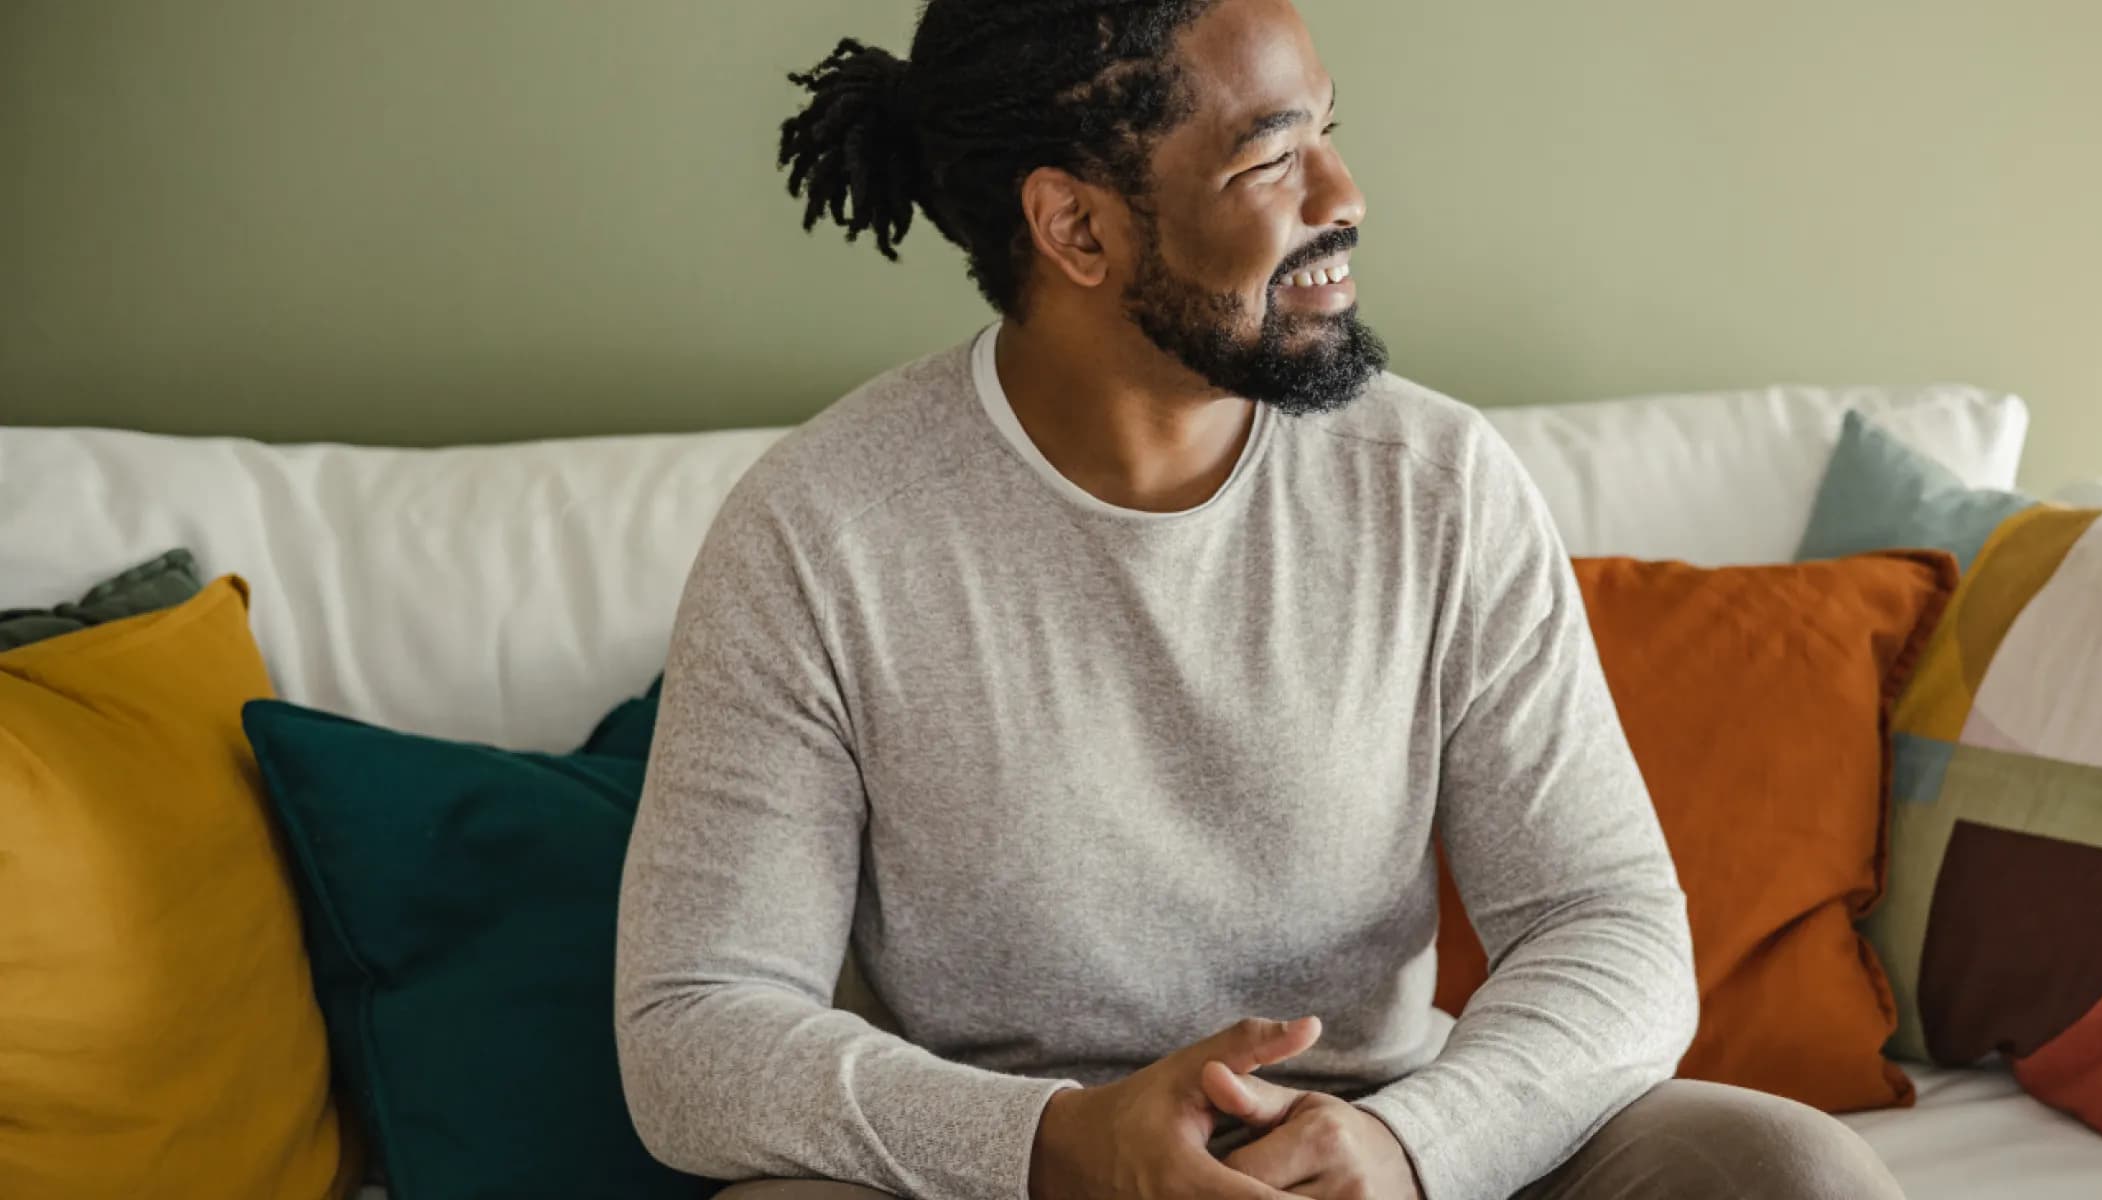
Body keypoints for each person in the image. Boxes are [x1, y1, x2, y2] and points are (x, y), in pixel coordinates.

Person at [613, 1, 1906, 1197]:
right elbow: (696, 1023)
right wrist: (1062, 1142)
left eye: (1328, 136)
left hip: (1384, 1137)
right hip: (1021, 1165)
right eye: (1271, 161)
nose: (1344, 197)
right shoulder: (817, 532)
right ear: (1077, 229)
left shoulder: (1437, 483)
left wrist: (1412, 1146)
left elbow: (1605, 917)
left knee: (1784, 1170)